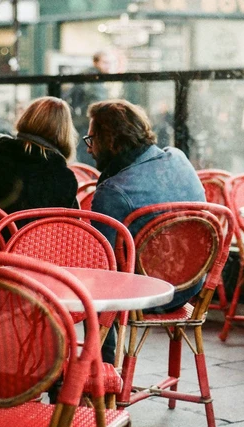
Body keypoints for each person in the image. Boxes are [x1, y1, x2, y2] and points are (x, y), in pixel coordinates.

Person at [86, 99, 206, 362]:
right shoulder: (179, 158)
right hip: (193, 285)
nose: (90, 149)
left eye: (92, 139)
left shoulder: (114, 190)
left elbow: (100, 261)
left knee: (93, 284)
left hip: (149, 295)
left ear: (111, 141)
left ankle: (99, 373)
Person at [0, 96, 78, 219]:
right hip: (32, 238)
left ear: (27, 117)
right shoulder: (65, 177)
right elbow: (70, 228)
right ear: (65, 131)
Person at [64, 51, 113, 165]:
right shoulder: (94, 78)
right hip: (87, 121)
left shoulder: (89, 76)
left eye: (110, 63)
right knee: (89, 153)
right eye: (105, 62)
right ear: (95, 62)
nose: (108, 66)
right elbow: (97, 101)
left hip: (81, 121)